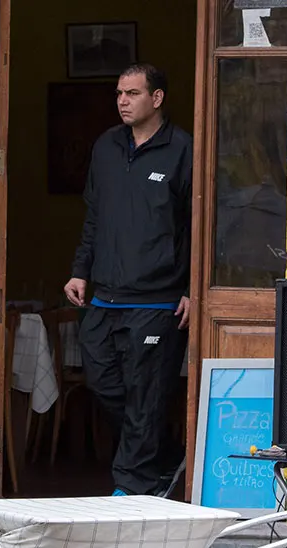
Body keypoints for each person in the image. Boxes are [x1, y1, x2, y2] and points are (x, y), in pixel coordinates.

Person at [63, 63, 193, 497]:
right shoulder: (106, 147)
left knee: (146, 393)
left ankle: (131, 486)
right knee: (103, 383)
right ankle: (164, 456)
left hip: (159, 299)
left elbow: (198, 226)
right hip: (106, 296)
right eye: (119, 93)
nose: (122, 101)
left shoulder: (183, 150)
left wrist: (194, 290)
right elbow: (94, 215)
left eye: (133, 93)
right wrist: (80, 270)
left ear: (156, 99)